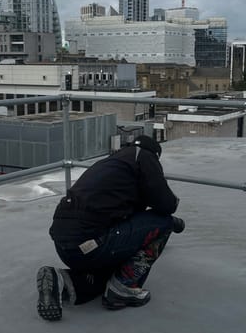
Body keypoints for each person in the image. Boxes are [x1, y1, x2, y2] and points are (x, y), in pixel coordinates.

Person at [36, 135, 185, 321]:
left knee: (106, 277)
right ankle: (124, 288)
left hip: (66, 246)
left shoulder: (111, 164)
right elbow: (166, 205)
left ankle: (61, 280)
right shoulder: (143, 157)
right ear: (155, 154)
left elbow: (126, 217)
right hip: (93, 242)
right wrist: (173, 221)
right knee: (164, 223)